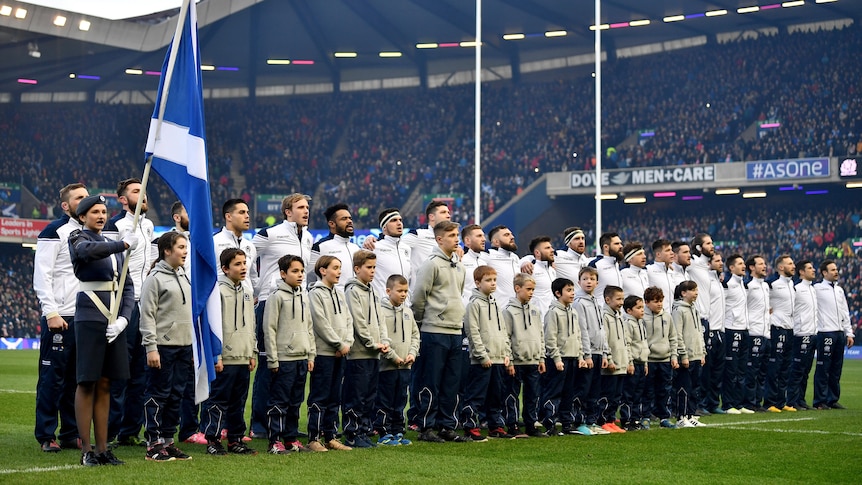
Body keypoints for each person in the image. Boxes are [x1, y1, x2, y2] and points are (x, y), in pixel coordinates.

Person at [69, 195, 135, 466]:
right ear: (82, 216)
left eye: (104, 211)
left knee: (107, 382)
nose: (100, 215)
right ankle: (86, 449)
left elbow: (127, 287)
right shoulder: (77, 238)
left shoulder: (114, 246)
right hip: (89, 317)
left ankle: (103, 449)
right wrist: (123, 243)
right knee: (87, 381)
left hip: (112, 320)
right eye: (94, 211)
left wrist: (124, 320)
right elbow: (86, 252)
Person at [249, 193, 312, 439]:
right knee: (267, 365)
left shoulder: (307, 238)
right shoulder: (269, 234)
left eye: (307, 207)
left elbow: (316, 269)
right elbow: (244, 258)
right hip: (271, 302)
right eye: (300, 207)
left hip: (299, 304)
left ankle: (287, 426)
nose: (306, 211)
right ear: (287, 211)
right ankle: (259, 426)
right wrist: (258, 288)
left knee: (293, 368)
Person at [33, 183, 88, 452]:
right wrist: (51, 312)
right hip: (60, 316)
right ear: (66, 206)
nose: (85, 201)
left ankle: (70, 432)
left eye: (87, 197)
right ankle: (46, 435)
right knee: (52, 378)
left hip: (86, 318)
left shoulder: (92, 233)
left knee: (77, 380)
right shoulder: (54, 231)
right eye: (79, 198)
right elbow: (42, 276)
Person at [103, 178, 155, 448]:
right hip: (123, 304)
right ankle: (110, 431)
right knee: (120, 372)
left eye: (143, 190)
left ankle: (130, 431)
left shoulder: (148, 225)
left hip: (146, 305)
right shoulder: (115, 226)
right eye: (136, 191)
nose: (142, 194)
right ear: (122, 199)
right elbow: (107, 261)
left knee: (141, 373)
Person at [140, 232, 194, 462]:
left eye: (185, 247)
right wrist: (151, 347)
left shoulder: (184, 275)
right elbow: (147, 314)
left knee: (176, 395)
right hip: (163, 346)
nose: (185, 251)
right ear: (167, 251)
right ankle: (153, 443)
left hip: (184, 346)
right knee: (158, 394)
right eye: (181, 247)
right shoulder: (155, 278)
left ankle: (168, 441)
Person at [411, 221, 467, 443]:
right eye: (451, 235)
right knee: (431, 381)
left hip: (455, 330)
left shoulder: (459, 266)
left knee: (451, 382)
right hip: (434, 330)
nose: (456, 238)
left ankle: (447, 425)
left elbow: (458, 295)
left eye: (457, 235)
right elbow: (418, 297)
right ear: (439, 239)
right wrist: (422, 322)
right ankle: (426, 426)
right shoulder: (431, 264)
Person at [200, 248, 257, 456]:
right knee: (217, 400)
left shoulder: (248, 292)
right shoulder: (217, 293)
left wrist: (252, 352)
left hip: (243, 356)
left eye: (244, 263)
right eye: (238, 264)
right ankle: (213, 440)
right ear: (225, 269)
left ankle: (235, 439)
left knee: (238, 401)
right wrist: (217, 355)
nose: (243, 268)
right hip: (224, 357)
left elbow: (251, 324)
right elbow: (213, 326)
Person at [263, 255, 315, 454]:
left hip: (302, 358)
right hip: (284, 359)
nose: (300, 275)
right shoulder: (276, 296)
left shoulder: (304, 295)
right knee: (279, 401)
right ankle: (274, 440)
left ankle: (291, 439)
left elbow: (309, 327)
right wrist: (273, 359)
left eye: (302, 271)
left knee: (295, 401)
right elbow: (270, 329)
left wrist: (311, 355)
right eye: (295, 271)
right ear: (283, 274)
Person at [343, 251, 390, 448]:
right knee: (357, 395)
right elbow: (358, 321)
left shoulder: (373, 291)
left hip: (374, 352)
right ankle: (352, 433)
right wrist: (371, 342)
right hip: (359, 353)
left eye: (374, 267)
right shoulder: (352, 291)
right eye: (369, 267)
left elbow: (380, 320)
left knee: (370, 395)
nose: (373, 271)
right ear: (357, 269)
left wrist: (384, 340)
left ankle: (364, 431)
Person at [306, 256, 354, 451]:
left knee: (335, 396)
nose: (339, 271)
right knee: (320, 395)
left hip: (341, 352)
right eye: (335, 268)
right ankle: (313, 438)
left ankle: (331, 436)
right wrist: (337, 343)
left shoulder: (339, 293)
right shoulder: (315, 293)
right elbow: (320, 323)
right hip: (324, 353)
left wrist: (347, 343)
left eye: (340, 268)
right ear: (323, 270)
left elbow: (349, 320)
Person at [462, 266, 513, 441]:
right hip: (482, 360)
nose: (493, 284)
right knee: (476, 394)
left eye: (494, 280)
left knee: (496, 394)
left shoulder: (496, 303)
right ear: (477, 282)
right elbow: (472, 332)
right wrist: (481, 355)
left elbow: (503, 330)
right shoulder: (474, 305)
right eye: (488, 280)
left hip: (499, 358)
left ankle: (495, 426)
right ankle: (470, 426)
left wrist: (506, 353)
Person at [374, 275, 419, 445]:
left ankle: (398, 430)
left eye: (406, 291)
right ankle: (383, 432)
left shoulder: (407, 312)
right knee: (385, 400)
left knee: (400, 399)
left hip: (405, 366)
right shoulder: (381, 311)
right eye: (399, 291)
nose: (403, 294)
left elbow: (415, 335)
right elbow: (380, 336)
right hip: (387, 366)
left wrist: (412, 354)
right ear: (388, 291)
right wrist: (393, 357)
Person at [540, 277, 586, 436]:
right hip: (558, 360)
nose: (572, 293)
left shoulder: (573, 312)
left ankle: (567, 423)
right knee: (554, 392)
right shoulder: (552, 312)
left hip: (573, 357)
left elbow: (578, 335)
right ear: (558, 293)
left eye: (573, 290)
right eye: (568, 290)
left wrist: (580, 356)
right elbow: (550, 338)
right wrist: (557, 358)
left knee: (569, 393)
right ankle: (549, 423)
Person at [502, 273, 546, 438]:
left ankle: (531, 424)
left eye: (533, 289)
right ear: (517, 288)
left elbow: (540, 335)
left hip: (533, 360)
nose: (531, 292)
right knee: (512, 394)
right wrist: (510, 360)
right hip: (516, 361)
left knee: (532, 394)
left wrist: (541, 357)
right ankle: (512, 424)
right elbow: (505, 337)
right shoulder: (508, 311)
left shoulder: (535, 310)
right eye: (528, 289)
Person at [812, 260, 855, 410]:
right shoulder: (816, 288)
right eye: (832, 270)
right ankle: (820, 401)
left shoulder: (839, 290)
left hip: (839, 333)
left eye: (836, 269)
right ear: (824, 273)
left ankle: (832, 399)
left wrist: (849, 333)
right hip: (825, 332)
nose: (836, 272)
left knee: (836, 368)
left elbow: (845, 312)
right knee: (823, 368)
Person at [573, 266, 609, 436]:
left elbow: (602, 329)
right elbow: (583, 330)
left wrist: (605, 352)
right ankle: (579, 421)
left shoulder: (597, 302)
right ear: (579, 282)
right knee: (583, 388)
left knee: (595, 389)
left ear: (597, 282)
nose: (589, 282)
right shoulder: (579, 303)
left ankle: (591, 420)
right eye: (585, 279)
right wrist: (586, 354)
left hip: (598, 351)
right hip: (589, 352)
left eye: (592, 279)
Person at [686, 233, 719, 416]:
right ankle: (690, 404)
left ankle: (697, 403)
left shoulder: (705, 268)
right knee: (694, 364)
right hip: (696, 319)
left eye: (712, 242)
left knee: (702, 365)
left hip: (706, 320)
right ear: (699, 248)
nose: (712, 245)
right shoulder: (693, 264)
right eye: (708, 243)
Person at [642, 286, 681, 429]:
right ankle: (645, 416)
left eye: (661, 301)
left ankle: (664, 417)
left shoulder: (667, 316)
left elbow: (673, 337)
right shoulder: (642, 317)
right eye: (655, 301)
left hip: (665, 359)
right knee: (648, 390)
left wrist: (674, 356)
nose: (659, 304)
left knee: (664, 390)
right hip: (650, 360)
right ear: (647, 302)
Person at [671, 281, 707, 428]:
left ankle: (691, 414)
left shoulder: (694, 309)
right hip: (686, 356)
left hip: (697, 354)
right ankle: (681, 416)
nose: (696, 292)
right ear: (683, 293)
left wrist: (702, 352)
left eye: (696, 289)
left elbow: (699, 333)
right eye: (692, 290)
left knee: (695, 386)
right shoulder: (679, 310)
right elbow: (677, 334)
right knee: (683, 387)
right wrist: (683, 355)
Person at [764, 255, 797, 413]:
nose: (794, 266)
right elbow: (765, 304)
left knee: (785, 367)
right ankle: (770, 402)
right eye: (790, 264)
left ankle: (780, 401)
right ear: (781, 267)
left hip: (790, 329)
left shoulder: (792, 285)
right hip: (777, 328)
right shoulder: (772, 284)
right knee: (775, 367)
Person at [721, 254, 753, 414]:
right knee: (731, 369)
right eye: (740, 264)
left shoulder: (744, 285)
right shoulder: (726, 284)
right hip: (731, 329)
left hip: (744, 329)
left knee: (742, 369)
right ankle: (727, 404)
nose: (744, 266)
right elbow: (721, 306)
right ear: (731, 268)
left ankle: (738, 403)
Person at [786, 260, 818, 410]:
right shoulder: (796, 289)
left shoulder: (812, 290)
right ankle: (791, 401)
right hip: (800, 334)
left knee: (805, 370)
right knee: (797, 369)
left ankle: (801, 399)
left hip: (812, 334)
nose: (814, 270)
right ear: (801, 272)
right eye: (810, 268)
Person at [598, 285, 629, 434]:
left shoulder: (619, 316)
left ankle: (611, 420)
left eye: (622, 298)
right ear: (607, 299)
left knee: (617, 395)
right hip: (612, 363)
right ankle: (603, 420)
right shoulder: (604, 316)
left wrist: (628, 360)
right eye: (618, 299)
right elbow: (604, 340)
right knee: (607, 394)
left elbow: (625, 340)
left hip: (621, 362)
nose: (621, 302)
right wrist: (609, 358)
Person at [699, 251, 726, 415]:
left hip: (721, 331)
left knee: (717, 370)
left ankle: (713, 403)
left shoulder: (720, 281)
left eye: (721, 260)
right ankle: (702, 402)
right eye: (717, 260)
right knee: (706, 371)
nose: (721, 262)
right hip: (711, 328)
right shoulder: (706, 281)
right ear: (708, 263)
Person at [213, 198, 258, 297]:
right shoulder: (214, 242)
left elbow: (253, 277)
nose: (247, 216)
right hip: (222, 301)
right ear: (228, 216)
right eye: (242, 212)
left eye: (247, 213)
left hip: (246, 302)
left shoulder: (250, 246)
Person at [309, 203, 360, 289]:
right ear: (332, 224)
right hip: (331, 300)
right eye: (344, 219)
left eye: (350, 218)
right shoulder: (320, 247)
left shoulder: (356, 248)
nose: (349, 221)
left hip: (355, 300)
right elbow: (309, 276)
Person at [744, 254, 770, 413]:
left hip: (766, 334)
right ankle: (748, 401)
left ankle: (757, 401)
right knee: (752, 370)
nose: (764, 266)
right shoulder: (748, 285)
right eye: (761, 264)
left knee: (762, 371)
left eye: (764, 263)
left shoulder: (766, 286)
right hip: (753, 332)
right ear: (752, 268)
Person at [621, 295, 649, 431]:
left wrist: (645, 363)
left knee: (638, 393)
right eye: (638, 308)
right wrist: (630, 362)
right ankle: (626, 419)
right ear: (629, 311)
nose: (642, 310)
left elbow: (643, 345)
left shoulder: (641, 323)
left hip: (641, 363)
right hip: (633, 363)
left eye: (642, 307)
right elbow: (627, 344)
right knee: (629, 393)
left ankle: (635, 419)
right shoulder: (628, 324)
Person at [371, 208, 412, 301]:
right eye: (393, 220)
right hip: (384, 306)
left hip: (405, 306)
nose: (399, 223)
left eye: (400, 220)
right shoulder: (374, 247)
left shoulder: (406, 248)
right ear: (384, 227)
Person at [486, 225, 521, 304]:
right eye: (506, 235)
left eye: (511, 234)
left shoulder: (515, 257)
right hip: (499, 310)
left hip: (517, 309)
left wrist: (527, 261)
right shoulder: (488, 255)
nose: (512, 237)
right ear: (496, 242)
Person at [525, 236, 556, 319]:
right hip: (538, 320)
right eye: (547, 248)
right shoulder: (530, 270)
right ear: (537, 253)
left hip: (553, 319)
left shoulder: (552, 270)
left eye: (551, 247)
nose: (552, 250)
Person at [588, 232, 623, 305]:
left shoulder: (616, 263)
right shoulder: (595, 264)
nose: (621, 246)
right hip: (601, 311)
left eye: (620, 243)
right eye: (616, 244)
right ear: (606, 247)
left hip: (617, 311)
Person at [460, 224, 488, 308]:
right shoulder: (460, 261)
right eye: (479, 236)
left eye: (483, 236)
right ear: (467, 240)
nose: (484, 239)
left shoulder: (484, 262)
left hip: (484, 313)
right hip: (466, 314)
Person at [647, 239, 676, 312]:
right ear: (658, 254)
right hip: (657, 318)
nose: (672, 253)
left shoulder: (672, 272)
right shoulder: (648, 271)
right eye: (667, 250)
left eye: (671, 250)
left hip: (673, 319)